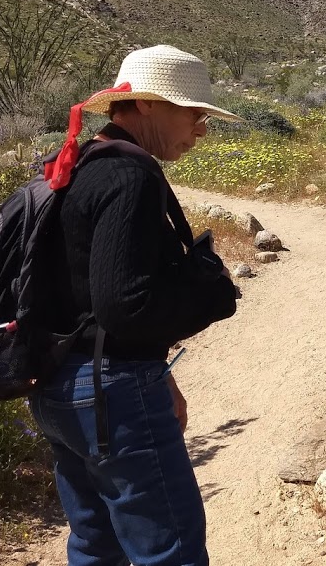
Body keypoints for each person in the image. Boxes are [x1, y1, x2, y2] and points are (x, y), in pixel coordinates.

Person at [30, 45, 243, 566]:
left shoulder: (81, 163)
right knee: (169, 550)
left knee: (95, 543)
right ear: (146, 104)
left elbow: (84, 296)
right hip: (113, 394)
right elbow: (124, 306)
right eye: (193, 114)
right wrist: (216, 299)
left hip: (59, 387)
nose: (201, 130)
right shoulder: (130, 176)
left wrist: (159, 374)